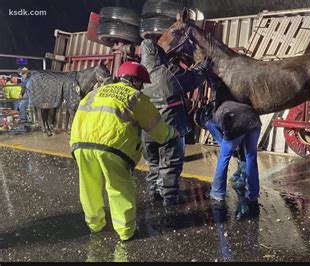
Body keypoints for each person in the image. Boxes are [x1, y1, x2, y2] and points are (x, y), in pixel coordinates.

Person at [70, 61, 179, 241]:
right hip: (112, 147)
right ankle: (126, 231)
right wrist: (173, 133)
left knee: (88, 186)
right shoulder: (135, 97)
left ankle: (95, 225)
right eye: (141, 83)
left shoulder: (95, 92)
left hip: (81, 144)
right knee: (118, 188)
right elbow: (157, 130)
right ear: (136, 82)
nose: (142, 87)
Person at [140, 38, 212, 206]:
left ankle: (154, 193)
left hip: (147, 131)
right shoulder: (168, 71)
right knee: (170, 164)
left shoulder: (139, 74)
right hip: (170, 127)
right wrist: (203, 66)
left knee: (153, 163)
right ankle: (169, 199)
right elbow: (192, 79)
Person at [199, 100, 262, 206]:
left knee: (224, 157)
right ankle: (253, 195)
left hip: (236, 122)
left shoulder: (207, 120)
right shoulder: (222, 105)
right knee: (251, 157)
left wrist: (234, 150)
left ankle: (217, 193)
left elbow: (220, 140)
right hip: (254, 119)